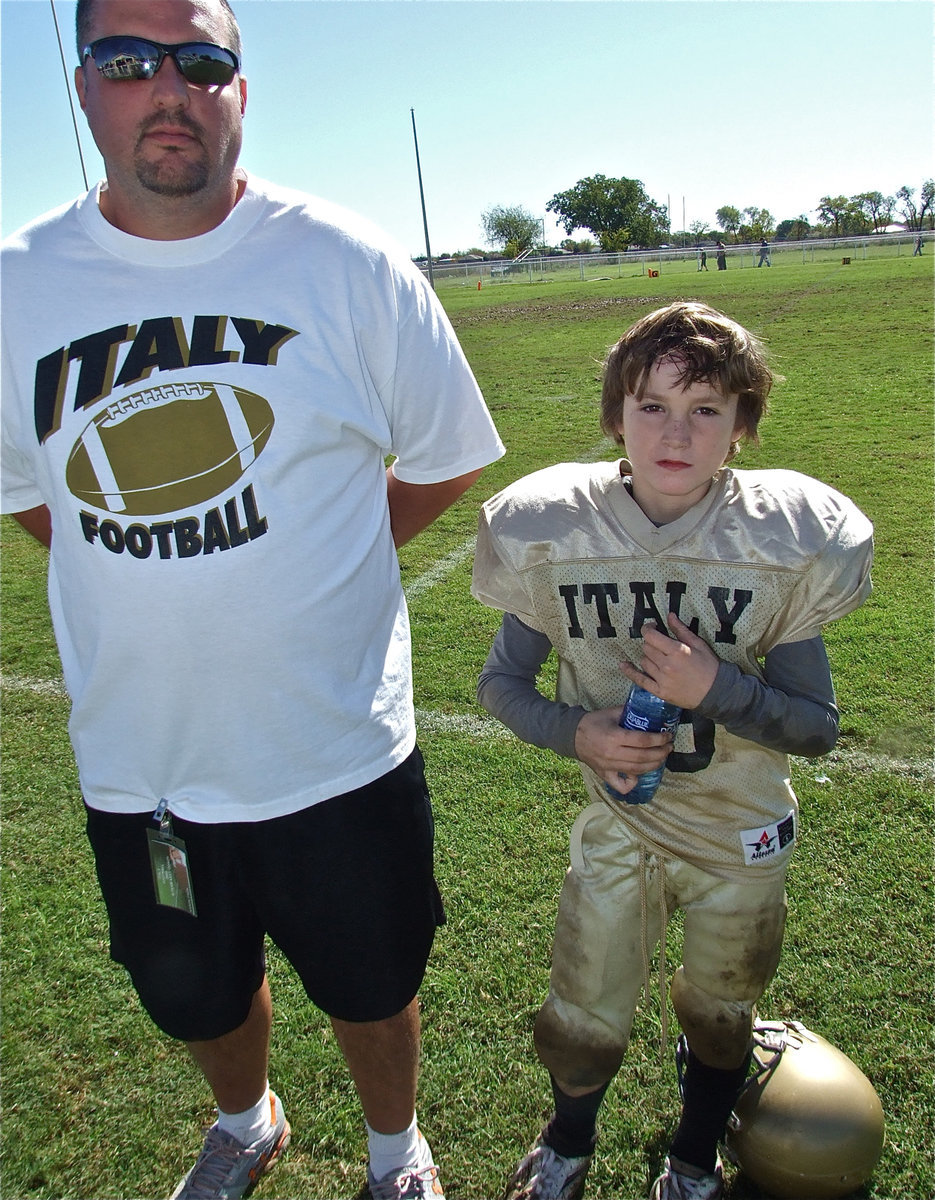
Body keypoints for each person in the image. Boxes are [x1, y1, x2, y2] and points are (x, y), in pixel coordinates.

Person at [0, 2, 505, 1199]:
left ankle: (395, 1154)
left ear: (239, 87)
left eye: (200, 59)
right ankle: (247, 1122)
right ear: (84, 90)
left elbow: (443, 457)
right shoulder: (16, 286)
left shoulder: (341, 257)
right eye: (127, 61)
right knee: (192, 988)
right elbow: (37, 503)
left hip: (333, 744)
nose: (166, 87)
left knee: (373, 981)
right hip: (144, 761)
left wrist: (323, 560)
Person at [471, 301, 872, 1200]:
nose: (676, 433)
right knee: (582, 1016)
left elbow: (814, 728)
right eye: (651, 406)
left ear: (741, 428)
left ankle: (693, 1158)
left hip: (740, 828)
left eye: (705, 410)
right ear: (616, 415)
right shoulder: (553, 527)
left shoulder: (782, 535)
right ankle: (567, 1142)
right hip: (621, 826)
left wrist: (717, 691)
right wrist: (577, 730)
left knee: (723, 1012)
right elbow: (500, 688)